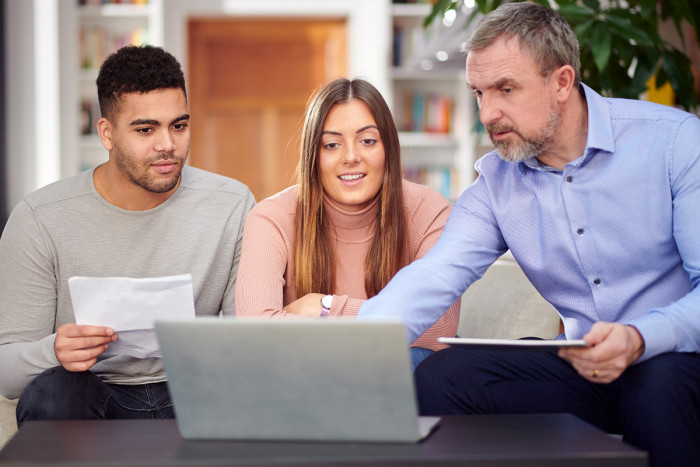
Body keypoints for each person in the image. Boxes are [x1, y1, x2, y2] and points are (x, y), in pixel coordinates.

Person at [358, 3, 700, 466]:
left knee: (656, 382)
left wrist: (640, 337)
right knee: (445, 376)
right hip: (587, 370)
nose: (488, 112)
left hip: (679, 359)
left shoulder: (675, 142)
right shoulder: (497, 182)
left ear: (561, 82)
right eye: (478, 93)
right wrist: (351, 355)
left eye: (505, 89)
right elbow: (436, 274)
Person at [0, 45, 255, 424]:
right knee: (51, 393)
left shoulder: (232, 203)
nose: (167, 144)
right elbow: (7, 373)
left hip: (195, 388)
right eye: (145, 129)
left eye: (178, 126)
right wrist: (55, 351)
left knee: (253, 390)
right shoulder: (40, 218)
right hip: (94, 393)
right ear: (106, 133)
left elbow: (251, 341)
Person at [235, 78, 460, 368]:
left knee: (417, 359)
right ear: (313, 156)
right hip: (306, 376)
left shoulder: (428, 209)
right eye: (331, 145)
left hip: (397, 375)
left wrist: (325, 309)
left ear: (388, 148)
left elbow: (440, 327)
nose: (351, 157)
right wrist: (388, 325)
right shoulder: (272, 218)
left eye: (367, 141)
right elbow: (256, 330)